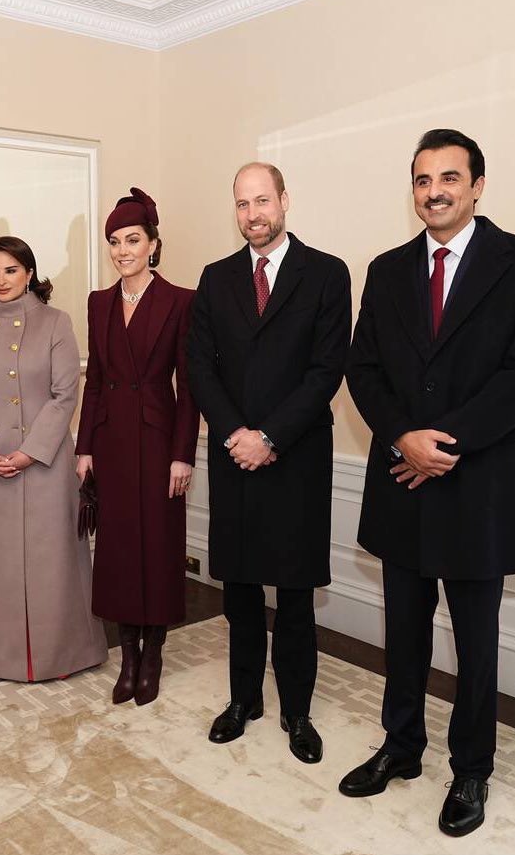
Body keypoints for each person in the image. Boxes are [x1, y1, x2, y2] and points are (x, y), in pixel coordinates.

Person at [340, 129, 515, 836]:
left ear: (478, 184)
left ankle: (472, 768)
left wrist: (445, 444)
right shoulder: (385, 268)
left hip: (480, 486)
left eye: (448, 177)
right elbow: (362, 368)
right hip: (402, 478)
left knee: (475, 639)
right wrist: (403, 436)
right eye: (421, 179)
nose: (433, 190)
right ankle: (401, 746)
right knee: (401, 631)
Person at [187, 162, 351, 764]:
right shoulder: (215, 278)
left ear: (284, 200)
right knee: (240, 590)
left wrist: (271, 436)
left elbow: (326, 369)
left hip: (297, 457)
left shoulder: (327, 274)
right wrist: (236, 433)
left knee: (297, 593)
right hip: (235, 457)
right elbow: (200, 366)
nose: (252, 214)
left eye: (262, 201)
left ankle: (298, 712)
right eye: (241, 204)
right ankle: (243, 700)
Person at [0, 236, 108, 681]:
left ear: (30, 274)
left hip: (45, 462)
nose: (1, 280)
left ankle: (65, 654)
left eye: (11, 270)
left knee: (55, 561)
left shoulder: (56, 322)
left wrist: (28, 452)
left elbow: (64, 395)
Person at [75, 188, 199, 707]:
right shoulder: (99, 302)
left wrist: (183, 454)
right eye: (114, 242)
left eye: (132, 239)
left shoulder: (181, 300)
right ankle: (127, 655)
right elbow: (95, 379)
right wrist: (84, 447)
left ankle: (154, 653)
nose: (122, 250)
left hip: (158, 439)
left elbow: (189, 385)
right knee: (121, 551)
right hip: (110, 442)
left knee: (158, 547)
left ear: (153, 244)